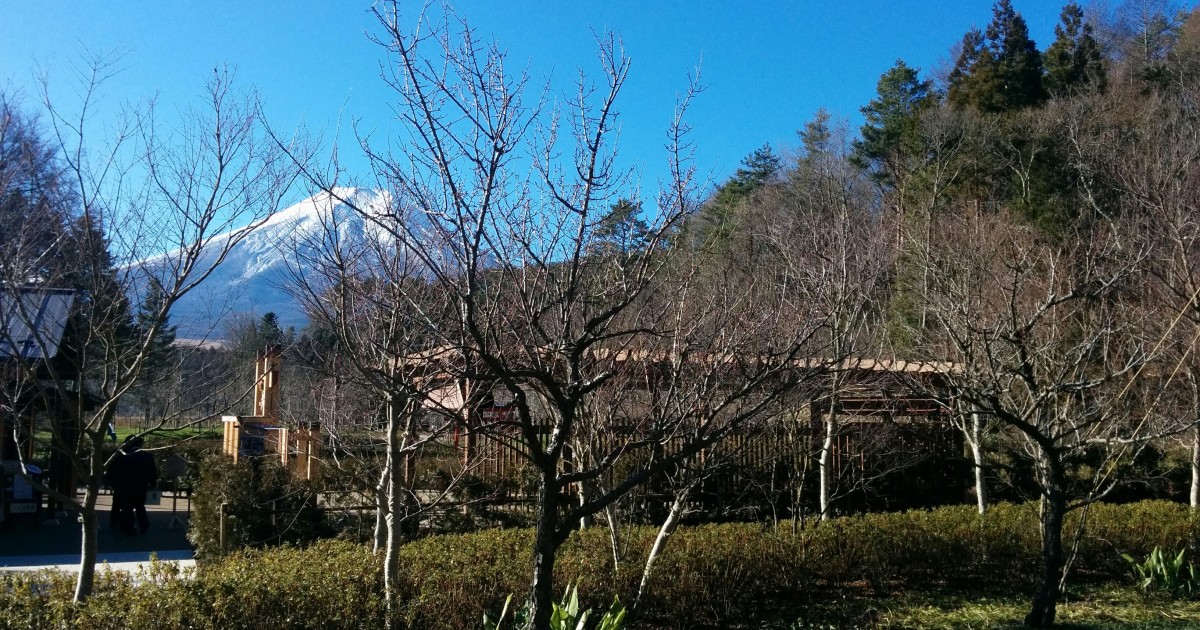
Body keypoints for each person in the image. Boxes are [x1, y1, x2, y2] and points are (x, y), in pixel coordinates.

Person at [104, 435, 158, 534]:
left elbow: (112, 470)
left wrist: (112, 483)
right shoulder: (147, 456)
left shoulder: (120, 455)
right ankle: (143, 525)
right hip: (140, 485)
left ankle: (125, 526)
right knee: (140, 505)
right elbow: (152, 472)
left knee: (124, 506)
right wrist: (152, 483)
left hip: (123, 485)